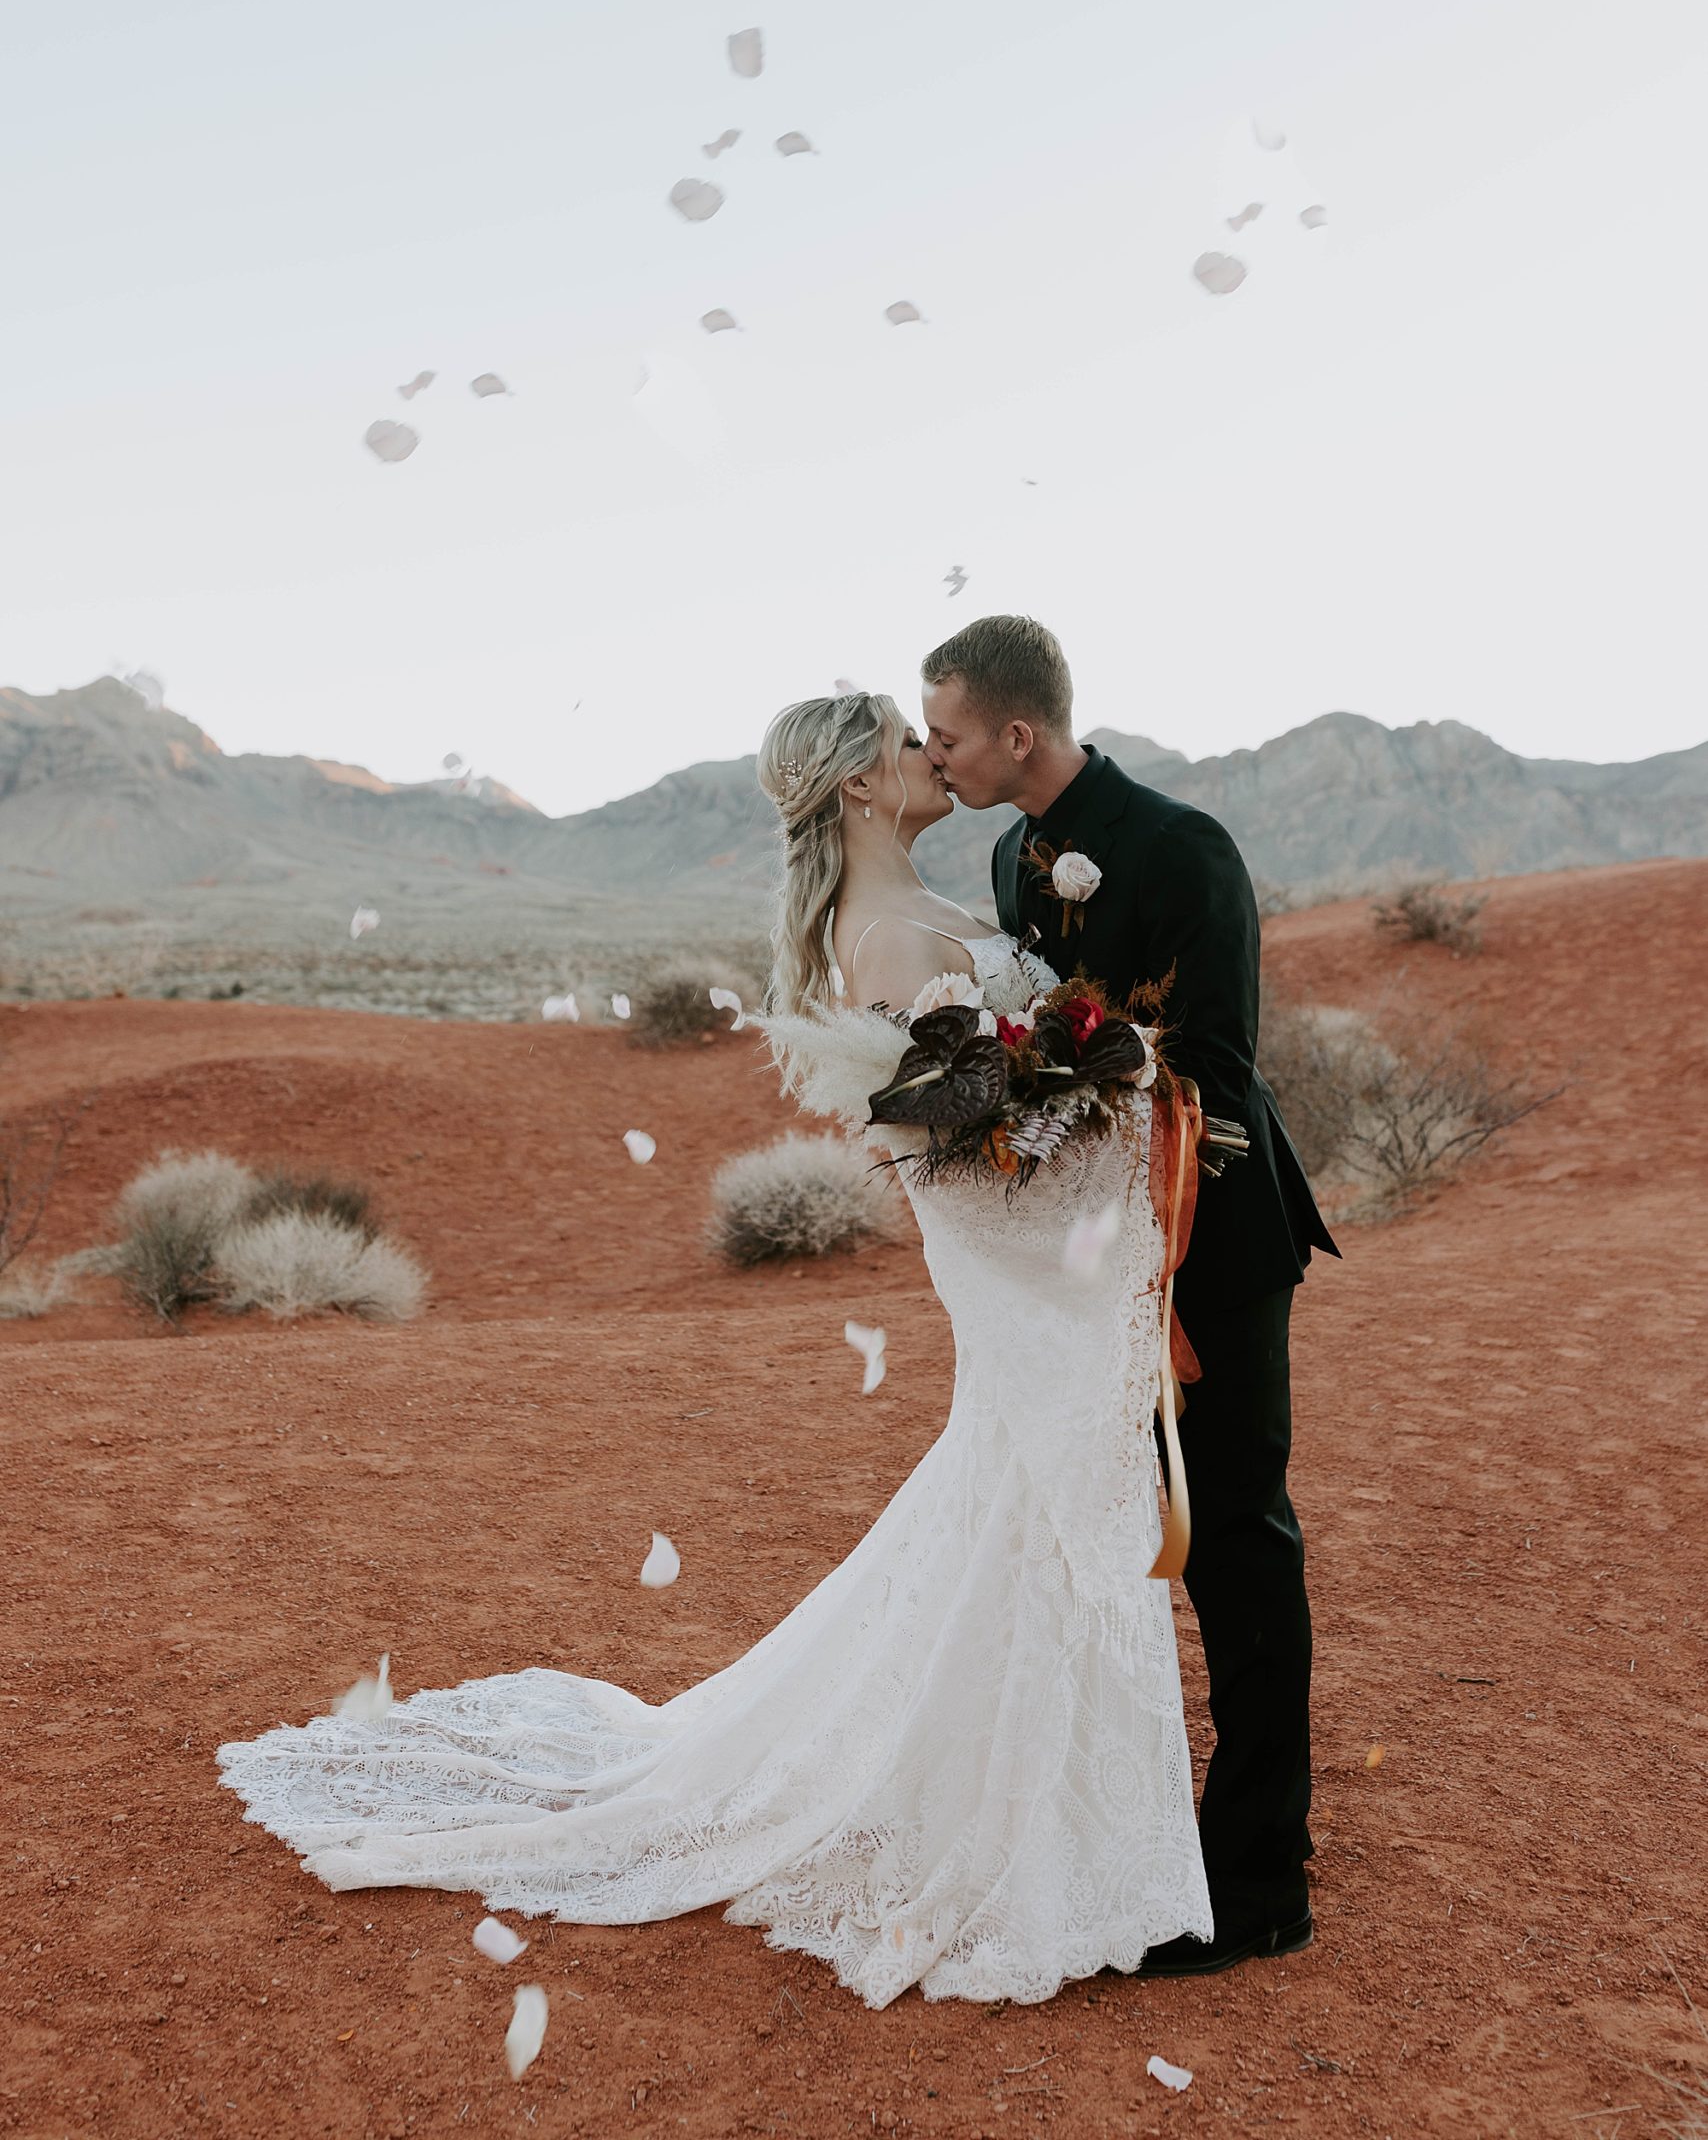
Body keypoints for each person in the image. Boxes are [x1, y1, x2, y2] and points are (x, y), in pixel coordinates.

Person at [216, 689, 1214, 2008]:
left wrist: (1095, 1104)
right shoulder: (882, 934)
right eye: (907, 743)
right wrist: (1112, 1101)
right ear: (861, 786)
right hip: (1033, 1279)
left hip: (1064, 1277)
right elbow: (963, 1158)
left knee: (1031, 1507)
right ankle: (1034, 1842)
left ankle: (1062, 1818)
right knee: (1038, 1504)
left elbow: (982, 1109)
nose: (931, 753)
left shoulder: (933, 901)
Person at [922, 614, 1337, 1975]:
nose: (940, 759)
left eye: (951, 737)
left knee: (1234, 1530)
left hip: (1213, 1234)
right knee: (1114, 1529)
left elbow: (1212, 1060)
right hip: (1093, 1256)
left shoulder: (1184, 848)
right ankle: (1128, 1828)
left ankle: (1262, 1872)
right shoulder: (1004, 856)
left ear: (1017, 735)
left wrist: (1063, 1071)